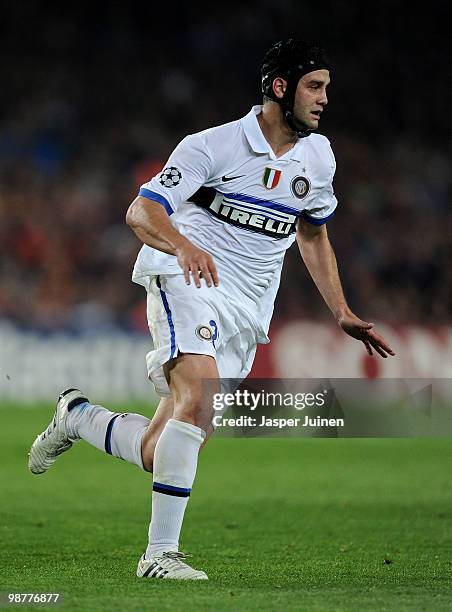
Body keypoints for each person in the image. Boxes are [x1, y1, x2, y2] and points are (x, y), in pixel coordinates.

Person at [28, 39, 395, 580]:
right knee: (198, 398)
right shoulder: (214, 146)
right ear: (280, 88)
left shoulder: (319, 157)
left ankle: (77, 418)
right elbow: (141, 211)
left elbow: (312, 234)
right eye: (314, 87)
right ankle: (160, 555)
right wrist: (182, 246)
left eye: (326, 89)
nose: (323, 99)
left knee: (164, 448)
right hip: (185, 276)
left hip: (248, 308)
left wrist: (340, 310)